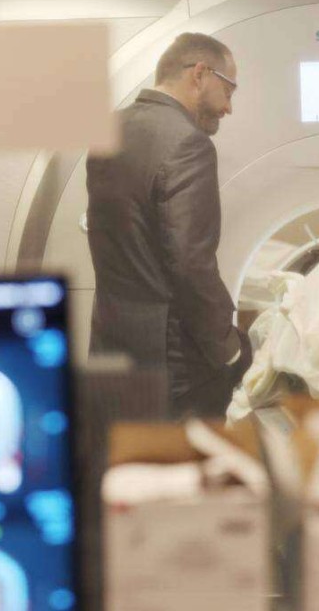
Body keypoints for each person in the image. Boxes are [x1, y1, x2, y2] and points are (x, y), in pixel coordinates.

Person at [86, 32, 252, 417]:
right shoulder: (188, 143)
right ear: (200, 74)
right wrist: (229, 348)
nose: (228, 108)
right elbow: (191, 263)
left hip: (112, 346)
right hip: (174, 364)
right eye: (229, 90)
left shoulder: (110, 129)